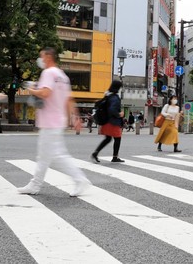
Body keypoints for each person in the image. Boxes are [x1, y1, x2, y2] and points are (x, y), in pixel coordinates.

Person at [17, 48, 91, 197]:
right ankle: (35, 184)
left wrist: (32, 90)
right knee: (46, 156)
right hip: (57, 120)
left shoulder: (48, 73)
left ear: (48, 57)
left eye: (41, 57)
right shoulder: (62, 76)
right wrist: (75, 118)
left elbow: (45, 93)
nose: (40, 60)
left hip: (49, 121)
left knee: (55, 156)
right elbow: (69, 99)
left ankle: (80, 179)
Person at [91, 80, 125, 163]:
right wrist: (119, 114)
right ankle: (115, 157)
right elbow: (112, 109)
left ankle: (96, 153)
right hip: (113, 122)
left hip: (106, 121)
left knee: (108, 138)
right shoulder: (114, 97)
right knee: (117, 138)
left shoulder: (108, 95)